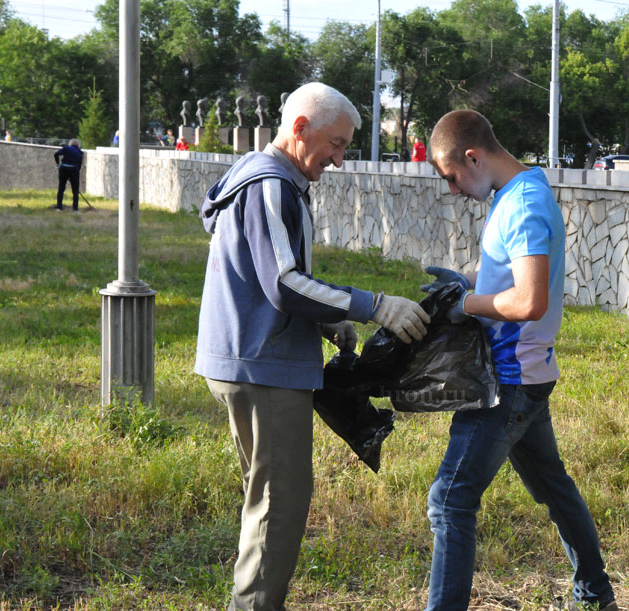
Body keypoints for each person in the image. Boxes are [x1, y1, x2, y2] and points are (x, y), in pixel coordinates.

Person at [194, 81, 431, 611]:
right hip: (264, 368)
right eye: (337, 144)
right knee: (279, 505)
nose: (340, 159)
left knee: (267, 500)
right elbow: (282, 282)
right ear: (299, 128)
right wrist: (373, 305)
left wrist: (323, 324)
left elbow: (268, 279)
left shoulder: (265, 178)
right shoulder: (271, 184)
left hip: (250, 359)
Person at [420, 109, 617, 611]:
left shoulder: (525, 202)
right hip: (523, 375)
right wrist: (467, 286)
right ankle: (595, 596)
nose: (453, 190)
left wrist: (463, 304)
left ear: (472, 156)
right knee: (553, 486)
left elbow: (529, 301)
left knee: (450, 500)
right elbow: (509, 288)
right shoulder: (513, 195)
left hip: (508, 382)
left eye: (451, 177)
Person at [53, 138, 84, 212]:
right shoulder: (80, 152)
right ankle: (75, 209)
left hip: (63, 168)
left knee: (61, 188)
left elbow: (56, 154)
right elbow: (79, 165)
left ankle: (59, 207)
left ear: (70, 144)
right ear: (78, 145)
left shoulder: (66, 148)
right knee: (75, 190)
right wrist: (75, 174)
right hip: (74, 169)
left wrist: (58, 164)